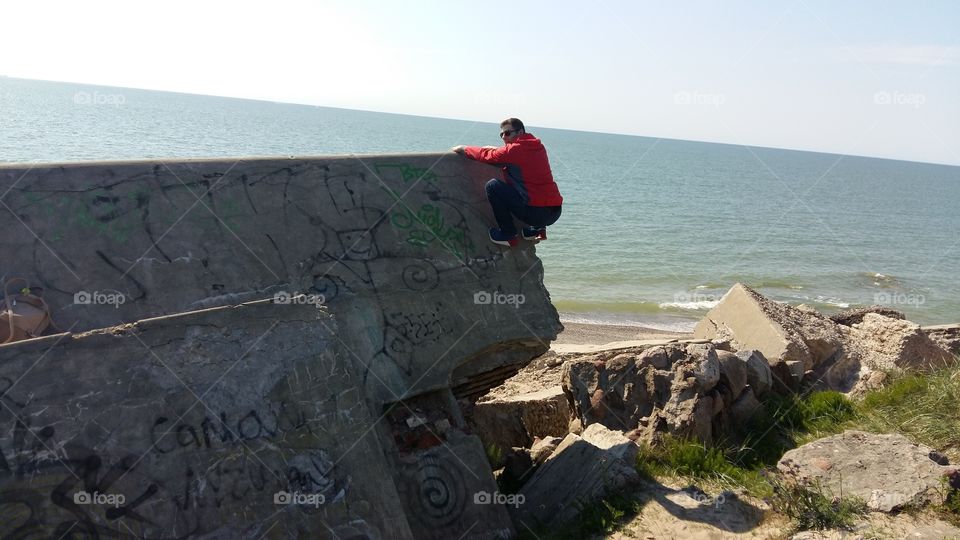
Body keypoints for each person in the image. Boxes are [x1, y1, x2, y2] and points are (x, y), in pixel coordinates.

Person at [452, 118, 563, 247]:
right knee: (537, 184)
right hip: (555, 211)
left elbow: (486, 155)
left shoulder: (513, 151)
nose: (504, 137)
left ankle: (508, 235)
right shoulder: (537, 146)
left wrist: (464, 149)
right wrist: (498, 149)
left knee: (493, 186)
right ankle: (538, 231)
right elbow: (516, 156)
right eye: (502, 134)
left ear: (520, 132)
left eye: (508, 133)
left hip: (536, 214)